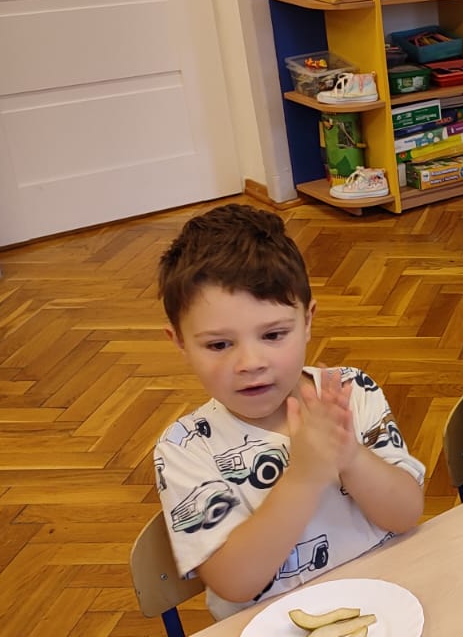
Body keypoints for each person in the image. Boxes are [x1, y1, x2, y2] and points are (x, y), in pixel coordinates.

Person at [153, 205, 425, 618]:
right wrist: (304, 477)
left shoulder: (349, 391)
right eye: (219, 345)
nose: (250, 363)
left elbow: (406, 515)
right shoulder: (185, 448)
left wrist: (350, 455)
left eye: (274, 334)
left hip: (390, 602)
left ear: (308, 320)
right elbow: (235, 582)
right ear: (179, 342)